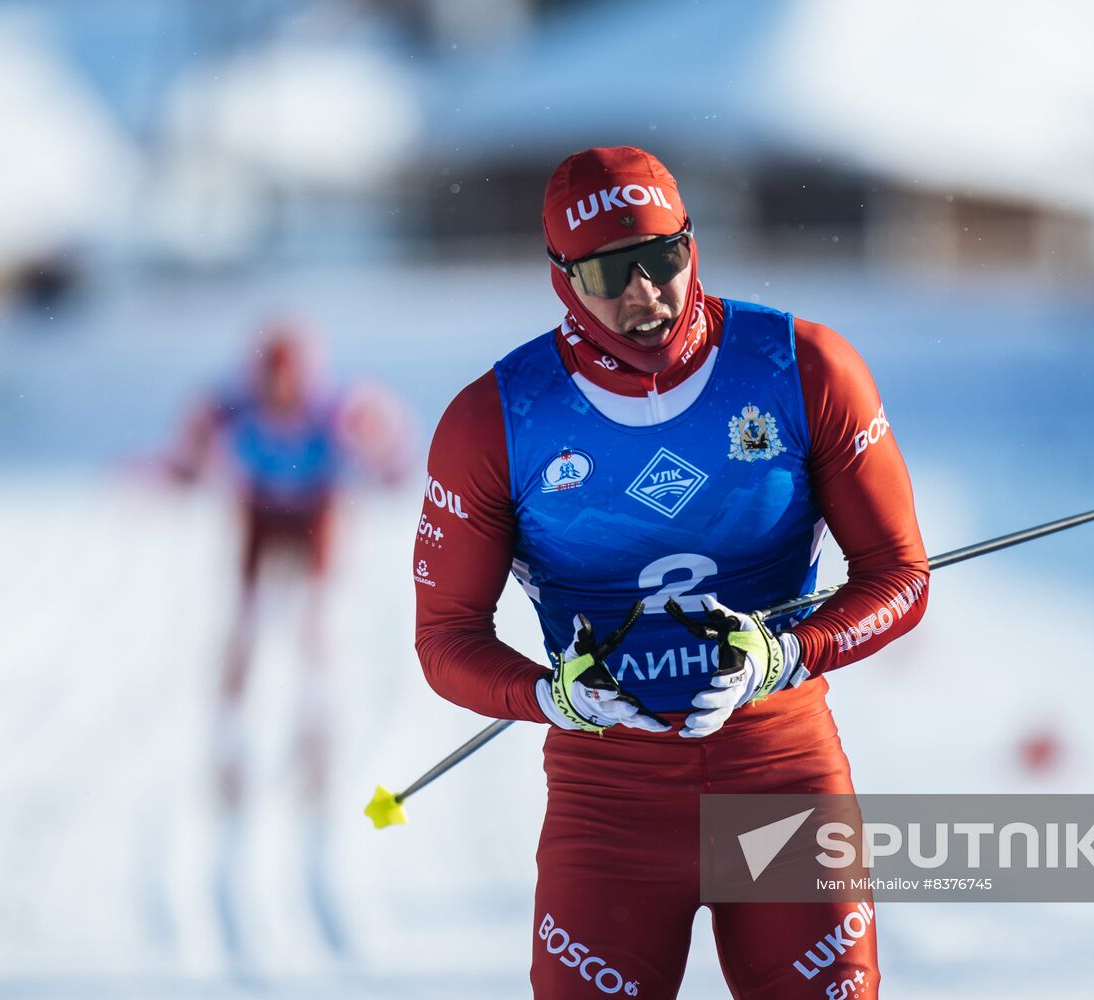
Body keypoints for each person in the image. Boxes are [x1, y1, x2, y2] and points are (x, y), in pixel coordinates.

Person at [413, 147, 929, 998]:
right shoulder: (497, 418)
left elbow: (899, 575)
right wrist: (552, 696)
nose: (644, 294)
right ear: (559, 278)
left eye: (663, 257)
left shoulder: (803, 367)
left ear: (692, 243)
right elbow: (445, 639)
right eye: (609, 272)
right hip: (608, 802)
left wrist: (786, 652)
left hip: (780, 777)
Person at [168, 320, 407, 806]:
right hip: (260, 514)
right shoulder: (233, 407)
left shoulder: (333, 408)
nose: (280, 390)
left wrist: (389, 467)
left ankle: (317, 737)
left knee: (317, 626)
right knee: (245, 623)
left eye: (289, 378)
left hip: (317, 515)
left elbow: (384, 434)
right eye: (271, 377)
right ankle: (229, 736)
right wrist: (179, 471)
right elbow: (192, 441)